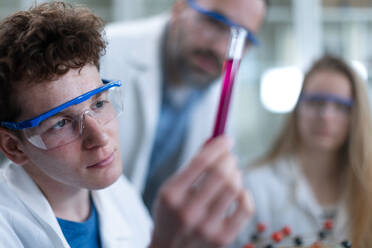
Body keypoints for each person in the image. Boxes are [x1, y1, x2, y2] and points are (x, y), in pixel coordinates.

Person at [0, 2, 254, 247]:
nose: (99, 137)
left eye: (99, 104)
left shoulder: (120, 196)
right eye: (61, 123)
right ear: (14, 147)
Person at [100, 0, 267, 211]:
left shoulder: (223, 90)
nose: (221, 48)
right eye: (214, 22)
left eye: (243, 37)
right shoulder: (107, 51)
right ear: (179, 8)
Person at [235, 55, 372, 247]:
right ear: (298, 108)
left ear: (357, 117)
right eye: (316, 102)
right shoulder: (254, 185)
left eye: (341, 106)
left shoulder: (367, 186)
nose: (326, 116)